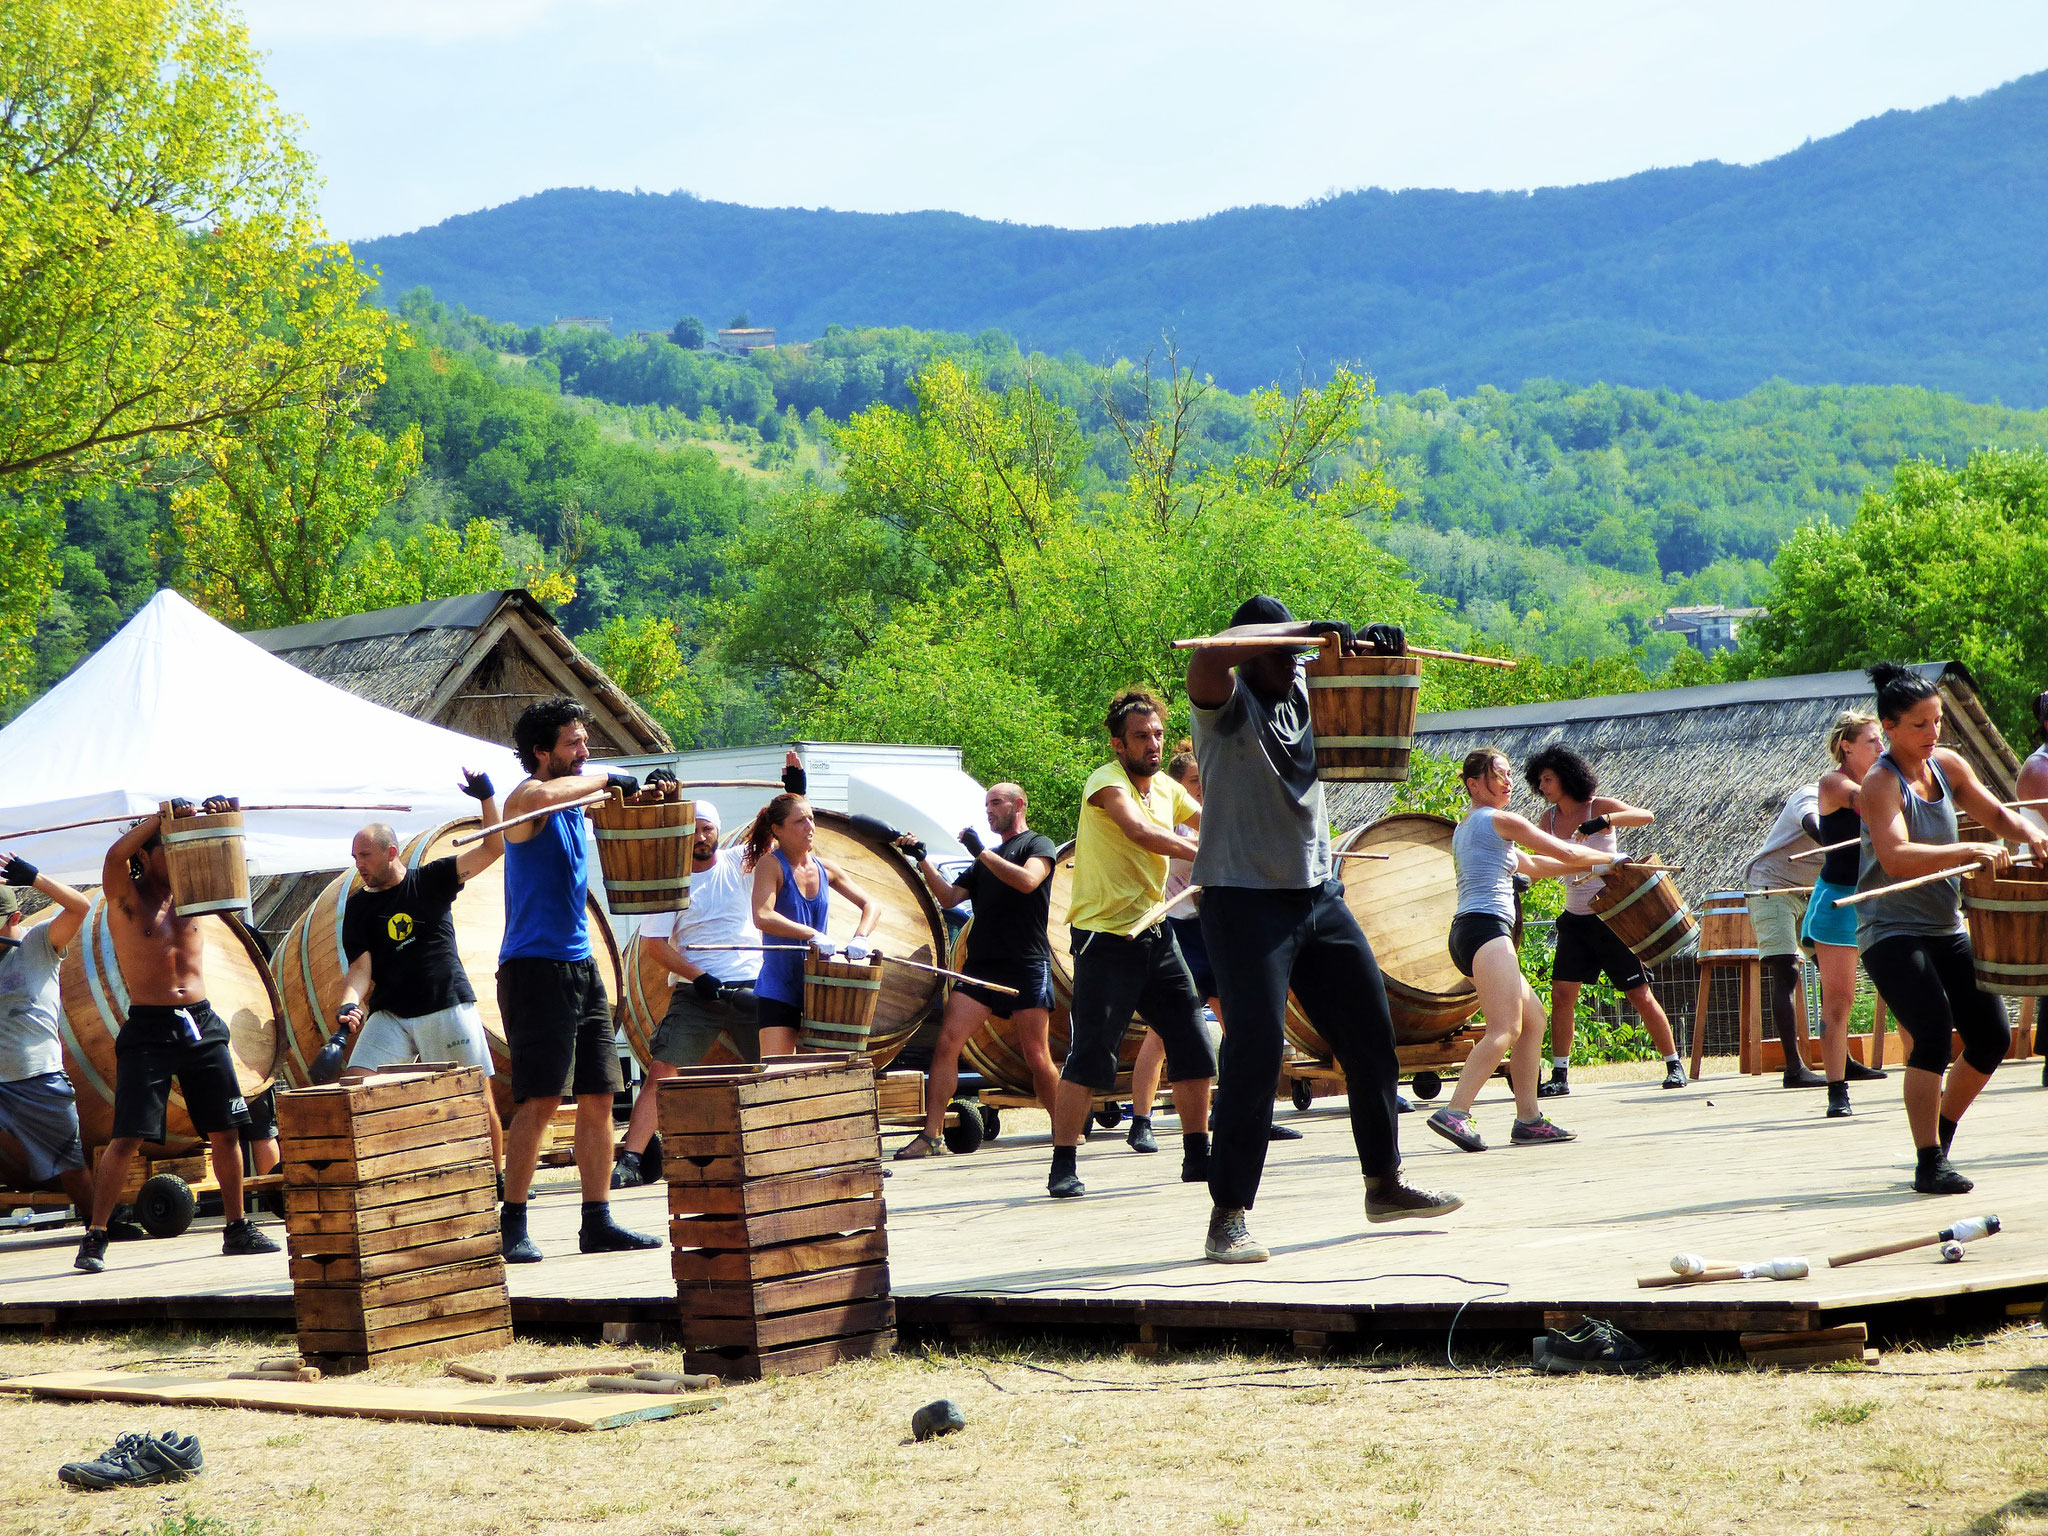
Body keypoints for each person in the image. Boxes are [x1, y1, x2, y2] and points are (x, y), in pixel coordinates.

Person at [1186, 600, 1462, 1264]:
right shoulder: (1222, 703)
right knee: (1256, 1053)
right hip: (1244, 899)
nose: (1295, 665)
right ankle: (1228, 1215)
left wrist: (1374, 645)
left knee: (1372, 1036)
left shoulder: (1306, 685)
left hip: (1316, 894)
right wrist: (1290, 634)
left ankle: (1384, 1183)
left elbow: (1351, 670)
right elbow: (1204, 658)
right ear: (1252, 651)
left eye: (1298, 655)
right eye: (1283, 654)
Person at [1852, 663, 2048, 1194]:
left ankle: (1938, 1136)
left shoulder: (1948, 765)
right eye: (1919, 725)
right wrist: (1969, 849)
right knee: (1934, 1034)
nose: (1931, 734)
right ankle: (1927, 1164)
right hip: (1889, 929)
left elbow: (1999, 816)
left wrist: (2029, 832)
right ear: (1888, 727)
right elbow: (1894, 857)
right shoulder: (1879, 783)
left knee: (1992, 1038)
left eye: (1936, 722)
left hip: (1945, 925)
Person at [75, 800, 280, 1274]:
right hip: (149, 1026)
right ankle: (96, 1234)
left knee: (227, 1130)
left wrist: (213, 815)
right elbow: (111, 859)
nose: (181, 854)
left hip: (202, 1022)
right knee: (126, 1137)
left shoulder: (195, 894)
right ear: (146, 855)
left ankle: (236, 1228)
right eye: (169, 847)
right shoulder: (126, 896)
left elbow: (225, 844)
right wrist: (159, 820)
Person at [495, 698, 658, 1264]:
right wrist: (610, 776)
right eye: (573, 744)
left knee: (600, 1095)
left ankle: (598, 1220)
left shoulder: (574, 799)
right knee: (539, 1100)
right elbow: (536, 796)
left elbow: (610, 809)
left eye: (586, 743)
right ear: (541, 752)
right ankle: (512, 1222)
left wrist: (649, 791)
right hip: (534, 967)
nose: (585, 753)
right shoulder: (528, 801)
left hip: (583, 964)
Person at [1048, 688, 1217, 1200]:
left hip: (1157, 934)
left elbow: (1210, 823)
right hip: (1106, 938)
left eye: (1158, 735)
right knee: (1091, 1054)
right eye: (1141, 736)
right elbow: (1140, 832)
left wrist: (1247, 844)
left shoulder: (1168, 787)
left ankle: (1197, 1156)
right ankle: (1063, 1165)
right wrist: (1204, 853)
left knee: (1193, 1043)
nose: (1153, 743)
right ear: (1119, 744)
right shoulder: (1106, 782)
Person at [614, 752, 808, 1186]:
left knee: (781, 1070)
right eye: (694, 829)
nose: (701, 836)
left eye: (707, 828)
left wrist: (796, 787)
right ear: (682, 832)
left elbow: (784, 825)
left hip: (753, 985)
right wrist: (699, 977)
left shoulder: (744, 862)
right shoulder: (670, 880)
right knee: (662, 1072)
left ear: (717, 830)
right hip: (698, 992)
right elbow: (655, 946)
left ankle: (804, 1152)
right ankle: (629, 1161)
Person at [1428, 749, 1613, 1152]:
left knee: (1533, 1019)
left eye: (1509, 774)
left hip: (1473, 934)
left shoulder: (1473, 828)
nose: (1508, 781)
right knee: (1505, 1028)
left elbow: (1539, 865)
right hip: (1486, 931)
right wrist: (1613, 858)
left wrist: (1601, 866)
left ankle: (1528, 1118)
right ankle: (1455, 1112)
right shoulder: (1499, 820)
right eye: (1498, 775)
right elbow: (1564, 851)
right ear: (1473, 784)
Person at [1126, 744, 1300, 1152]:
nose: (1201, 789)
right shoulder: (1174, 823)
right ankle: (1141, 1120)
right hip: (1178, 932)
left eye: (1205, 782)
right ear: (1178, 785)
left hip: (1213, 933)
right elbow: (1190, 860)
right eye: (1193, 782)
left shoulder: (1217, 821)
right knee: (1162, 1032)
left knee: (1237, 1027)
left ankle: (1244, 1113)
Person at [331, 769, 506, 1170]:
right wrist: (348, 1004)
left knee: (474, 1095)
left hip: (444, 1004)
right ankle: (382, 1178)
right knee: (356, 1085)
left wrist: (487, 797)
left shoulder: (432, 880)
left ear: (391, 853)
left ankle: (497, 1181)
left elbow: (494, 847)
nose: (359, 864)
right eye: (355, 857)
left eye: (365, 855)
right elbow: (360, 968)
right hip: (392, 1012)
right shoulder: (359, 905)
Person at [893, 783, 1058, 1159]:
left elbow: (1028, 881)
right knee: (948, 1043)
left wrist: (981, 851)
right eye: (986, 804)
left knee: (1037, 1055)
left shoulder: (1038, 844)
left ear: (1018, 805)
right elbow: (949, 897)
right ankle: (931, 1136)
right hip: (982, 966)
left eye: (996, 802)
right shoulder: (987, 858)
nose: (989, 810)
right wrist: (921, 858)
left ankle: (1062, 1128)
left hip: (1026, 963)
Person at [1525, 745, 1687, 1094]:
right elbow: (1539, 861)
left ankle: (1674, 1064)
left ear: (1567, 778)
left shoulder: (1598, 805)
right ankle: (1560, 1076)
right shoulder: (1547, 821)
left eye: (1548, 779)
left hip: (1611, 917)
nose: (1542, 786)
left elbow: (1646, 816)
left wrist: (1606, 821)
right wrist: (1523, 874)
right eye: (1539, 780)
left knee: (1639, 994)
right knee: (1561, 995)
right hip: (1575, 918)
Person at [1800, 712, 1889, 1117]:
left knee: (1906, 989)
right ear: (1847, 746)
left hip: (1878, 899)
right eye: (1872, 740)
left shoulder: (1884, 781)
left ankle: (1930, 1077)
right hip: (1837, 902)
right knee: (1839, 1001)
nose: (1881, 747)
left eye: (1881, 740)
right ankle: (1837, 1090)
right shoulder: (1833, 783)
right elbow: (1868, 805)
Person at [748, 792, 879, 1056]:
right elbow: (763, 915)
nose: (810, 827)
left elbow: (872, 905)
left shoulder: (826, 868)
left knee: (822, 1075)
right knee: (777, 1075)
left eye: (811, 819)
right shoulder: (770, 865)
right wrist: (813, 934)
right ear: (778, 830)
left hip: (821, 989)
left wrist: (860, 937)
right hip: (779, 988)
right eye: (800, 821)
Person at [0, 856, 93, 1214]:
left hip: (39, 1079)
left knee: (70, 1164)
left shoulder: (39, 943)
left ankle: (98, 1227)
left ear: (15, 919)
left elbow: (80, 907)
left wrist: (35, 878)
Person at [1742, 780, 1827, 1089]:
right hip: (1772, 887)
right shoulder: (1810, 795)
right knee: (1787, 972)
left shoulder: (1861, 807)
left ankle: (1841, 1059)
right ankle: (1794, 1067)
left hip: (1811, 890)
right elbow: (1813, 824)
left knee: (1833, 968)